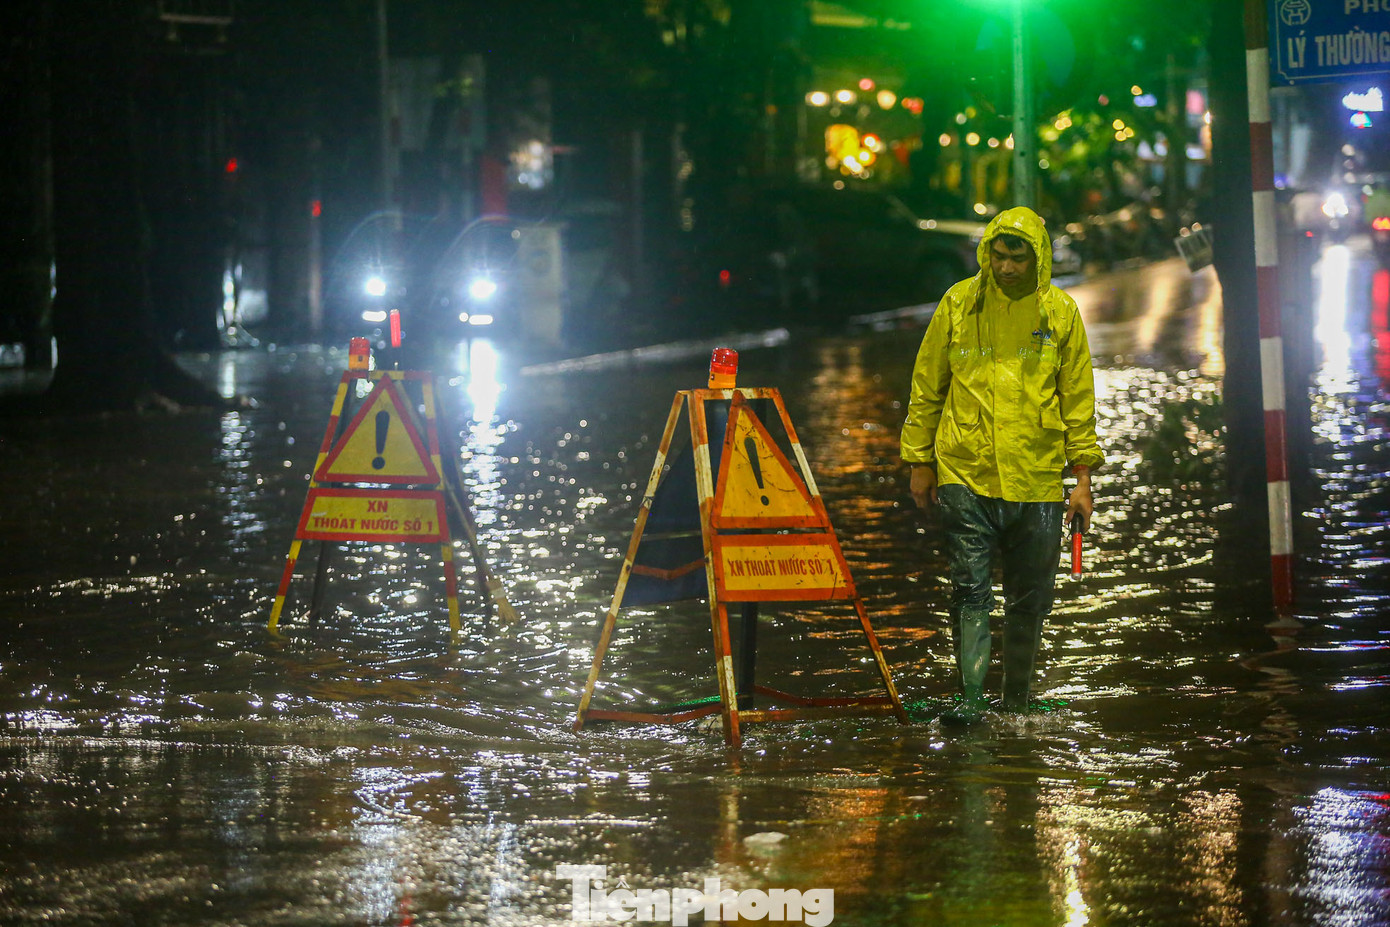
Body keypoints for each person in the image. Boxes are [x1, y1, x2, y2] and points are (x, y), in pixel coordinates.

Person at [900, 206, 1103, 715]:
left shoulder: (1060, 314)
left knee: (1030, 599)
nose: (1007, 267)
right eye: (999, 255)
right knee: (969, 590)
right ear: (985, 254)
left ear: (1040, 259)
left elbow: (1077, 400)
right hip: (963, 470)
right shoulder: (958, 305)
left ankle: (1016, 702)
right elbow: (928, 386)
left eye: (1018, 257)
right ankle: (969, 701)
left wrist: (1082, 480)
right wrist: (919, 460)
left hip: (1036, 477)